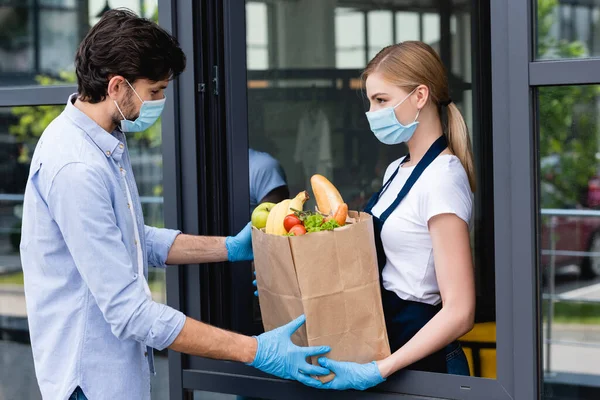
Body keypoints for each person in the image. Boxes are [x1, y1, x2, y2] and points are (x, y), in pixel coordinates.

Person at [19, 9, 330, 400]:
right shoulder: (77, 168)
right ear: (116, 86)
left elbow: (134, 239)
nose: (161, 102)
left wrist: (229, 248)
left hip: (113, 377)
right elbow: (130, 312)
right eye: (155, 92)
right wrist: (256, 350)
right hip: (91, 384)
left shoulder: (103, 140)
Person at [316, 41, 476, 390]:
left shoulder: (443, 178)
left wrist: (381, 368)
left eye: (382, 101)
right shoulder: (396, 170)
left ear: (420, 96)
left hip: (426, 365)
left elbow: (460, 311)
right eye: (371, 101)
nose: (372, 112)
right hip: (394, 350)